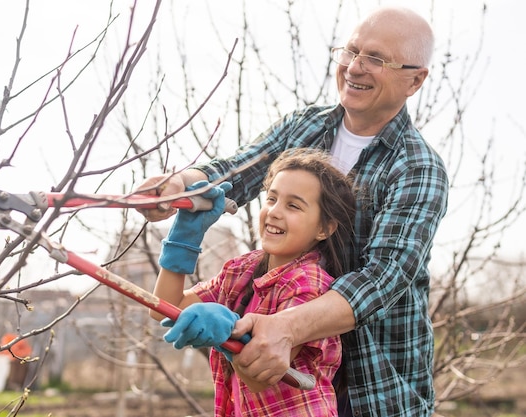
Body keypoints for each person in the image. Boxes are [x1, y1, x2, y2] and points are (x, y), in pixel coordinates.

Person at [138, 6, 449, 417]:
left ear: (415, 79)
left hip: (374, 388)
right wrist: (179, 186)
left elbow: (384, 277)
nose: (355, 67)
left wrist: (283, 328)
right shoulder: (303, 127)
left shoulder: (417, 167)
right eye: (351, 51)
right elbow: (236, 170)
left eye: (375, 58)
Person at [150, 148, 356, 416]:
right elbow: (163, 307)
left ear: (324, 228)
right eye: (271, 199)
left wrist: (228, 329)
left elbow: (259, 377)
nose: (274, 212)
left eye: (293, 205)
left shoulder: (311, 284)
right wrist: (184, 238)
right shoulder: (242, 270)